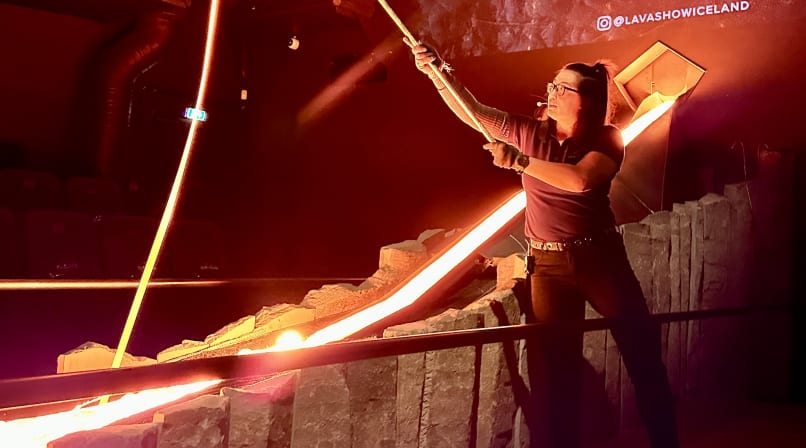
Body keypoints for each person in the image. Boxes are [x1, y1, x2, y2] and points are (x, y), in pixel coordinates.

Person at [409, 41, 680, 448]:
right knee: (557, 372)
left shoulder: (607, 138)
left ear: (584, 102)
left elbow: (580, 181)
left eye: (561, 89)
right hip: (547, 267)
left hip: (599, 258)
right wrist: (437, 72)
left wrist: (519, 162)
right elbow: (474, 113)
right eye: (551, 86)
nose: (550, 94)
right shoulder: (528, 131)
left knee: (641, 355)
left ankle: (667, 441)